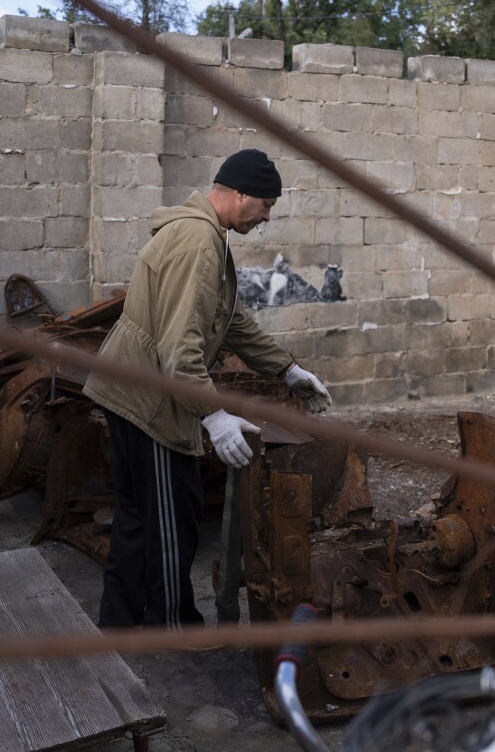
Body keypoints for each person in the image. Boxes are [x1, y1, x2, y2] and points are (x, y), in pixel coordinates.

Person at [84, 148, 333, 630]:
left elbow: (231, 320)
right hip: (150, 403)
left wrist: (287, 370)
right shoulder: (199, 242)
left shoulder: (202, 233)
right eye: (265, 206)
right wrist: (213, 416)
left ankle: (117, 625)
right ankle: (175, 628)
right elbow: (180, 349)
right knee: (171, 525)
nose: (266, 219)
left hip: (130, 389)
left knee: (138, 519)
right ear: (239, 195)